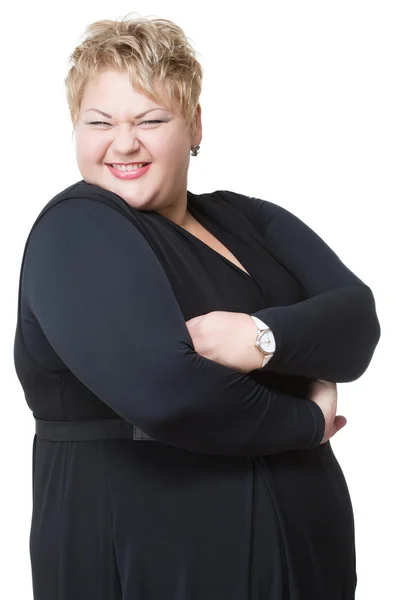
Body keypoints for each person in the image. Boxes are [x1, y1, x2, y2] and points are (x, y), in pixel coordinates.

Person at [13, 14, 381, 600]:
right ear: (75, 129)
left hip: (308, 556)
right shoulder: (77, 228)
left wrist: (260, 337)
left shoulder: (244, 217)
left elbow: (357, 321)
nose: (124, 142)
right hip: (155, 561)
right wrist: (307, 421)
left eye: (151, 120)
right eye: (100, 122)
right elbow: (167, 393)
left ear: (195, 125)